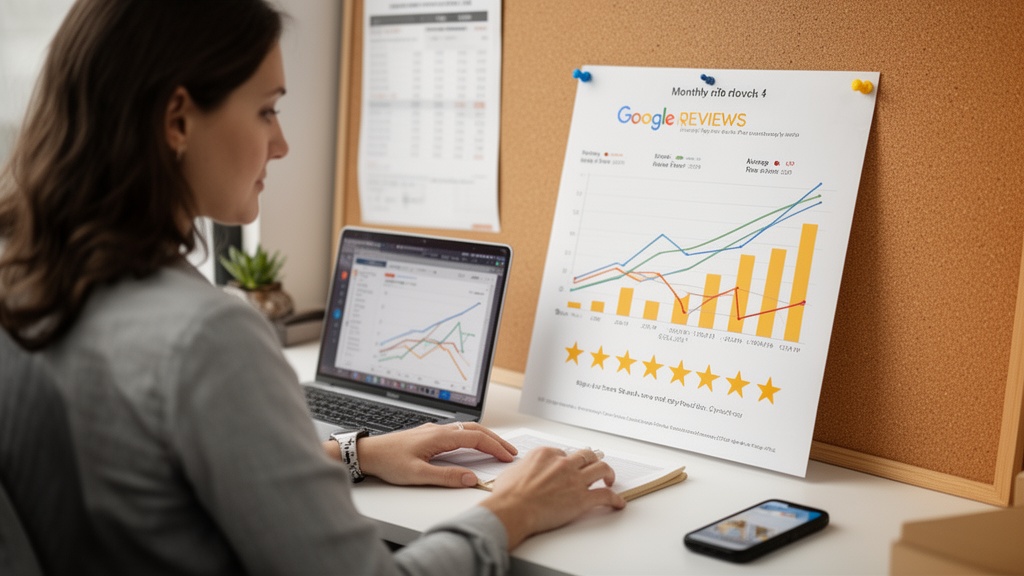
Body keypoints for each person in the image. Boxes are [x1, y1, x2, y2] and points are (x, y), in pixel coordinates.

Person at [0, 1, 626, 575]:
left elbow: (150, 478)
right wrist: (516, 508)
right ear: (177, 119)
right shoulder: (204, 337)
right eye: (266, 109)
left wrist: (357, 453)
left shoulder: (24, 280)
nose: (281, 142)